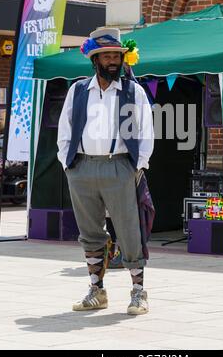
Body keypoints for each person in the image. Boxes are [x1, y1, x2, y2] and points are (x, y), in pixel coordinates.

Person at [57, 28, 154, 315]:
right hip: (81, 166)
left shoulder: (132, 91)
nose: (112, 60)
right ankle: (96, 291)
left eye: (116, 56)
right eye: (106, 56)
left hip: (120, 165)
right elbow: (65, 129)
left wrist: (137, 167)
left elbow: (145, 131)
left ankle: (138, 292)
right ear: (95, 60)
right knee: (90, 232)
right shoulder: (78, 91)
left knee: (129, 232)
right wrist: (68, 165)